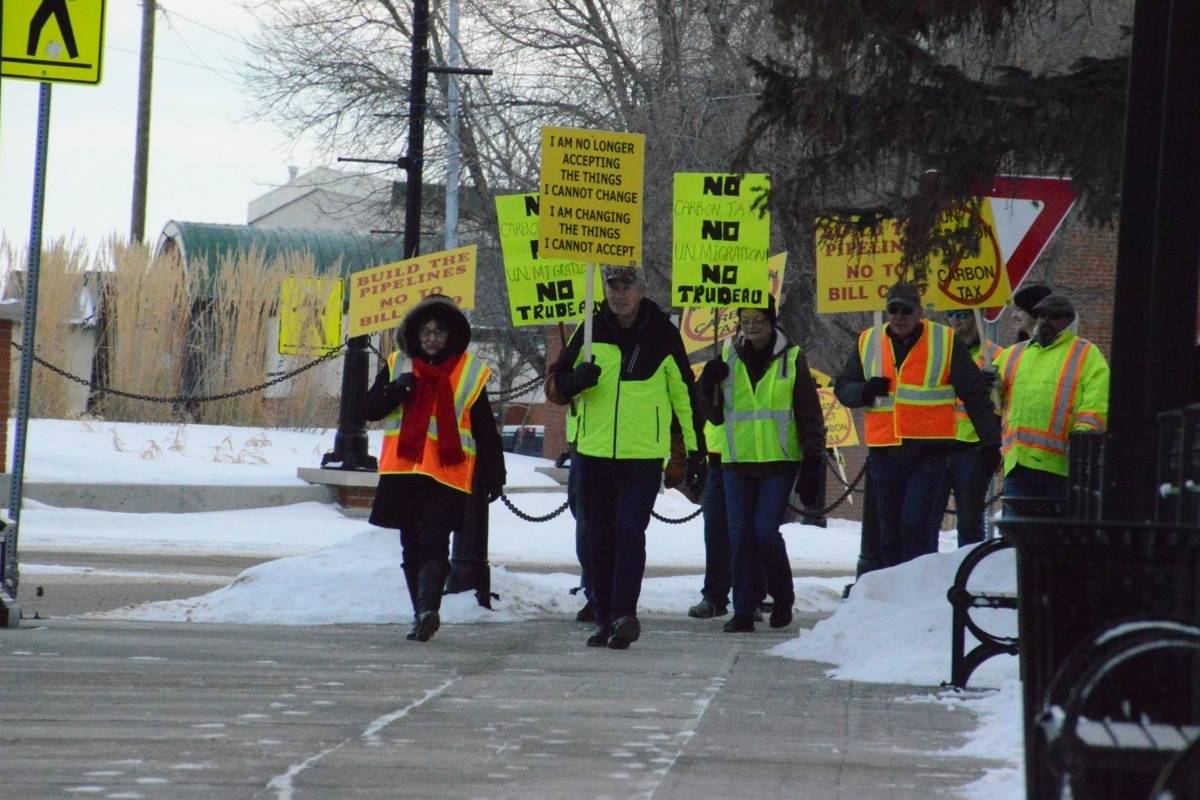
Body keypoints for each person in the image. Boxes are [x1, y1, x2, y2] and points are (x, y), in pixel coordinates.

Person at [548, 266, 706, 650]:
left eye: (627, 286)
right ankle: (603, 618)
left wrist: (693, 451)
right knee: (597, 538)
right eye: (612, 286)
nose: (619, 294)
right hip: (592, 453)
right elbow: (555, 388)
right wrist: (576, 380)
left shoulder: (662, 333)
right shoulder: (589, 331)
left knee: (630, 533)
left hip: (643, 456)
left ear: (641, 290)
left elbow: (683, 395)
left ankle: (624, 614)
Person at [362, 295, 506, 642]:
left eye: (439, 331)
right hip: (404, 471)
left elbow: (485, 428)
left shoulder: (469, 372)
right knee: (410, 544)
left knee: (434, 542)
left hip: (446, 473)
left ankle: (429, 609)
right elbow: (368, 408)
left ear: (451, 335)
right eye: (425, 331)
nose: (432, 338)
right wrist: (396, 391)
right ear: (414, 334)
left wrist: (493, 473)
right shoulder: (399, 364)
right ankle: (421, 613)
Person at [835, 282, 1001, 569]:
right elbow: (843, 387)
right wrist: (864, 391)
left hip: (929, 453)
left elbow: (974, 393)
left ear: (920, 312)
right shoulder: (868, 341)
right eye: (893, 309)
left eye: (906, 310)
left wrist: (990, 441)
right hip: (885, 451)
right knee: (888, 534)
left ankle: (914, 590)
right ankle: (891, 592)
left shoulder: (945, 341)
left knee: (916, 526)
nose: (899, 316)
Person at [698, 296, 826, 633]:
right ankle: (743, 610)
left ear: (772, 321)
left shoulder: (793, 358)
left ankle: (782, 595)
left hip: (779, 462)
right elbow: (712, 414)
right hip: (737, 462)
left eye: (758, 318)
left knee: (765, 532)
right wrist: (706, 384)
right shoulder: (727, 356)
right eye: (745, 318)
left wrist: (814, 460)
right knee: (739, 537)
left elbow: (809, 413)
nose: (751, 324)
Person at [994, 293, 1109, 512]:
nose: (1046, 321)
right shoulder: (1013, 355)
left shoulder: (1086, 354)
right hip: (1018, 464)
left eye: (1055, 317)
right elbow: (994, 403)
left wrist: (1083, 439)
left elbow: (1096, 405)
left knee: (1058, 539)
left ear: (1069, 321)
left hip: (1062, 466)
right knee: (1018, 538)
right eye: (1041, 315)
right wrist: (989, 385)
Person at [934, 309, 1003, 547]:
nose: (956, 320)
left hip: (973, 446)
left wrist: (996, 385)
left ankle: (971, 571)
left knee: (970, 520)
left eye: (963, 314)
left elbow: (1008, 400)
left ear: (977, 316)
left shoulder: (994, 355)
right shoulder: (939, 351)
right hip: (940, 443)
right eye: (951, 314)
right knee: (928, 516)